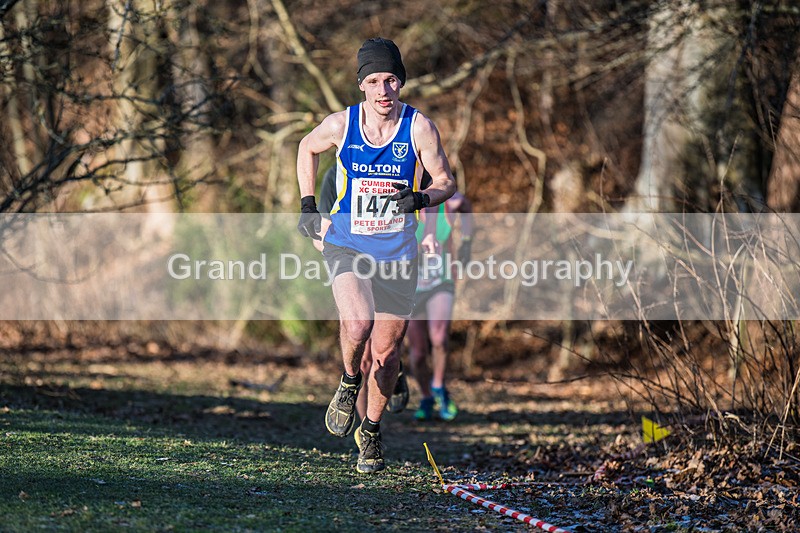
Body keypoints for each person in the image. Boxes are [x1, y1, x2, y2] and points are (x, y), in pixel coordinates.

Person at [296, 37, 456, 474]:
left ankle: (370, 432)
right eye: (373, 81)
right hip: (347, 242)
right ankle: (349, 382)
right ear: (361, 86)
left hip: (399, 254)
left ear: (400, 83)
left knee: (386, 357)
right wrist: (308, 206)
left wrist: (422, 198)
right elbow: (304, 148)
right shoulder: (341, 125)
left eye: (391, 80)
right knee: (358, 323)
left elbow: (446, 180)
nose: (383, 90)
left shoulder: (418, 127)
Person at [316, 166, 410, 430]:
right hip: (353, 264)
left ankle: (395, 366)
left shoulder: (400, 164)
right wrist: (338, 259)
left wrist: (429, 239)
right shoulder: (336, 175)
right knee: (363, 348)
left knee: (385, 349)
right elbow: (321, 231)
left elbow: (432, 201)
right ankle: (361, 429)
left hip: (395, 262)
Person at [408, 172, 473, 421]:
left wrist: (467, 241)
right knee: (418, 351)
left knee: (439, 337)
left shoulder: (447, 205)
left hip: (441, 281)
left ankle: (439, 388)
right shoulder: (406, 206)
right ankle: (425, 396)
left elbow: (464, 205)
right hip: (410, 286)